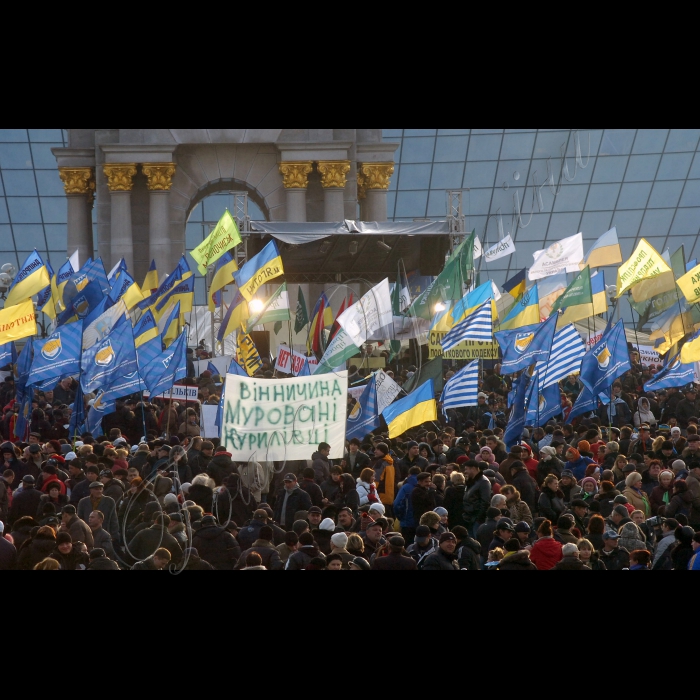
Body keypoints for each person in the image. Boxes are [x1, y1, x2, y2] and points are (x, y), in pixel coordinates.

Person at [462, 460, 492, 537]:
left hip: (476, 520)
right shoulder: (472, 481)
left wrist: (477, 518)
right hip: (470, 518)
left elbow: (485, 501)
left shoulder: (483, 482)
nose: (465, 472)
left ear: (473, 469)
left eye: (466, 469)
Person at [393, 467, 420, 545]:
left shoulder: (405, 487)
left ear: (409, 475)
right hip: (421, 523)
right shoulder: (425, 486)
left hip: (407, 523)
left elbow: (397, 504)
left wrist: (401, 517)